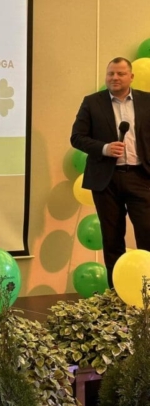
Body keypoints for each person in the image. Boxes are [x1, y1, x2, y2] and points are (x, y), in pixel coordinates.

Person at [71, 57, 150, 287]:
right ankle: (117, 294)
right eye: (111, 74)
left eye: (120, 74)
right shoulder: (92, 102)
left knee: (147, 234)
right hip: (107, 181)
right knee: (112, 238)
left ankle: (147, 291)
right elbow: (77, 137)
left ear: (131, 77)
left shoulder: (147, 101)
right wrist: (104, 148)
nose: (115, 78)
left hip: (140, 177)